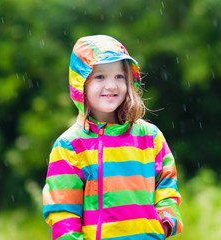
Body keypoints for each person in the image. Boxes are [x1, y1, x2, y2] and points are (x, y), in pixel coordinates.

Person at [42, 35, 183, 240]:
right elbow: (63, 212)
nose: (111, 86)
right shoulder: (70, 146)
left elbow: (167, 187)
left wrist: (165, 223)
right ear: (80, 83)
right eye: (100, 77)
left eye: (119, 77)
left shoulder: (150, 137)